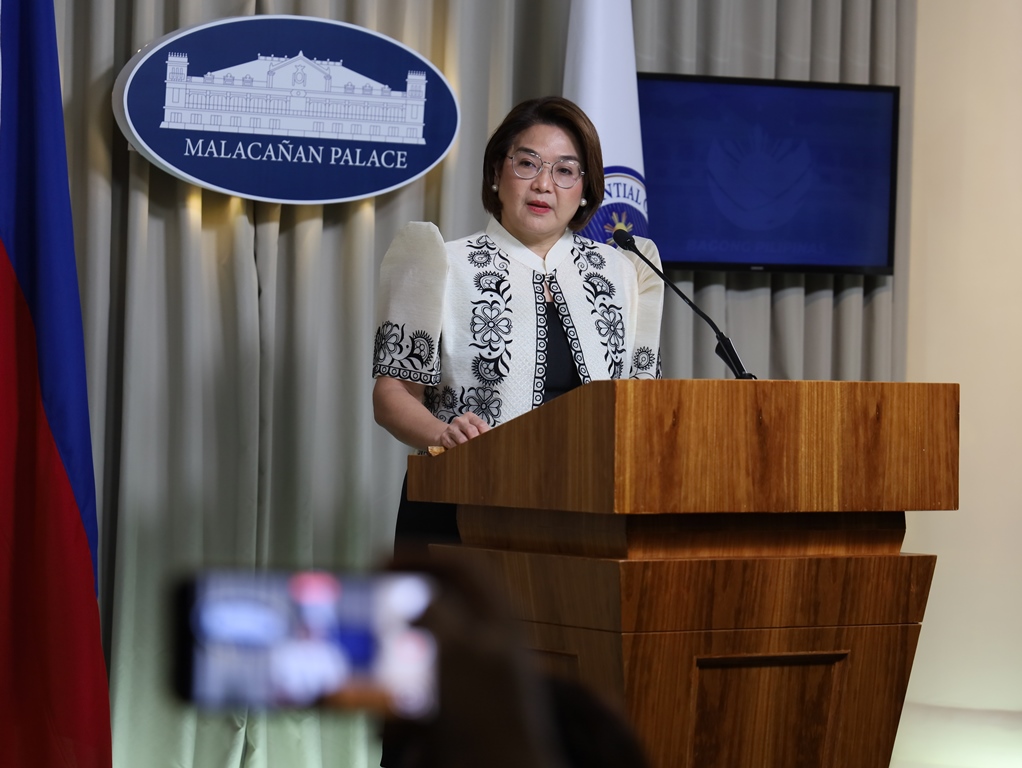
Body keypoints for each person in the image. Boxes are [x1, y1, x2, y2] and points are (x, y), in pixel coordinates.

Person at [372, 95, 665, 555]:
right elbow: (391, 394)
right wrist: (442, 433)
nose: (544, 184)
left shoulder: (624, 271)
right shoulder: (440, 262)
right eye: (528, 164)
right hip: (462, 501)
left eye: (565, 170)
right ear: (496, 172)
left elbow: (644, 401)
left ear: (585, 189)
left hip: (586, 511)